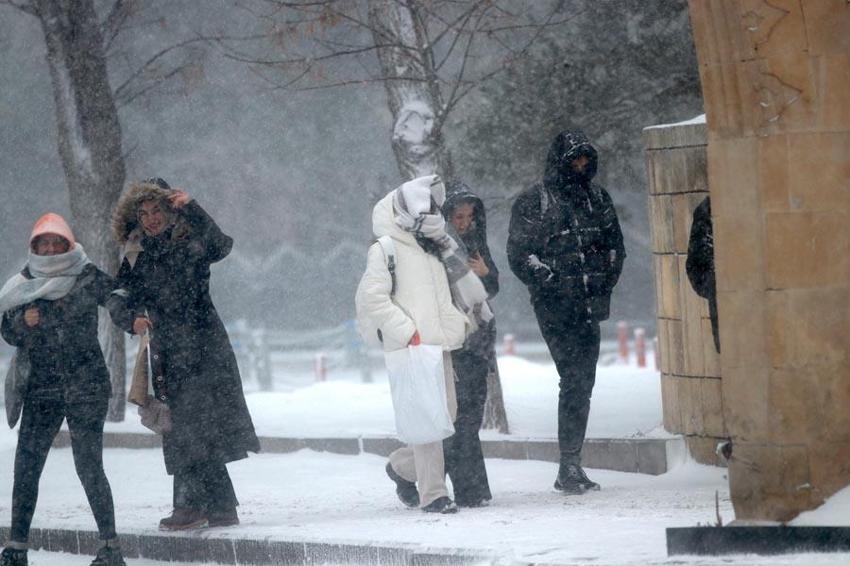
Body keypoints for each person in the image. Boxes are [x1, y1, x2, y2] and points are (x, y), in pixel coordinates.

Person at [108, 178, 260, 530]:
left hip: (205, 346)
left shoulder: (190, 240)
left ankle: (192, 506)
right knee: (189, 426)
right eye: (143, 213)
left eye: (157, 210)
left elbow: (220, 245)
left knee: (193, 425)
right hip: (168, 352)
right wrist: (131, 319)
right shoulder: (136, 254)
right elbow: (119, 295)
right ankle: (218, 506)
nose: (151, 219)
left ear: (169, 210)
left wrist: (192, 207)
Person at [0, 214, 126, 566]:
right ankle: (16, 547)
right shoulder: (23, 283)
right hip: (41, 390)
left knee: (89, 466)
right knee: (27, 467)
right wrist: (21, 322)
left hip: (87, 386)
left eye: (58, 243)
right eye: (44, 243)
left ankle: (110, 547)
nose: (51, 249)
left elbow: (116, 295)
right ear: (34, 247)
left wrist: (128, 316)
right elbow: (7, 331)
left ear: (69, 245)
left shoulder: (86, 276)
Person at [507, 131, 625, 494]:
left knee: (582, 382)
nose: (581, 165)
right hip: (555, 308)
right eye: (574, 159)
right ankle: (569, 464)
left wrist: (602, 283)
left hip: (590, 305)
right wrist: (551, 282)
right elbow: (520, 254)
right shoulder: (535, 201)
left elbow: (614, 247)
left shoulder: (597, 199)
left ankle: (571, 463)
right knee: (574, 378)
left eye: (585, 159)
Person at [356, 175, 470, 514]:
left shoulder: (432, 244)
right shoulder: (385, 249)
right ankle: (434, 495)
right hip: (412, 346)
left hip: (439, 344)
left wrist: (456, 324)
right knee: (428, 420)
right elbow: (374, 298)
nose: (430, 214)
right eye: (424, 209)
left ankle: (401, 467)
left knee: (446, 415)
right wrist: (407, 332)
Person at [441, 181, 498, 508]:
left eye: (469, 216)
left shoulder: (474, 243)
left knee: (470, 417)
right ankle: (468, 488)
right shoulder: (442, 250)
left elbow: (492, 287)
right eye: (458, 217)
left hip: (478, 340)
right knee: (461, 417)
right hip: (457, 340)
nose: (464, 223)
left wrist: (485, 273)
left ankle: (473, 488)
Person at [686, 196, 720, 353]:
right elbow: (695, 264)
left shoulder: (706, 211)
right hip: (721, 305)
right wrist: (711, 286)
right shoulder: (706, 211)